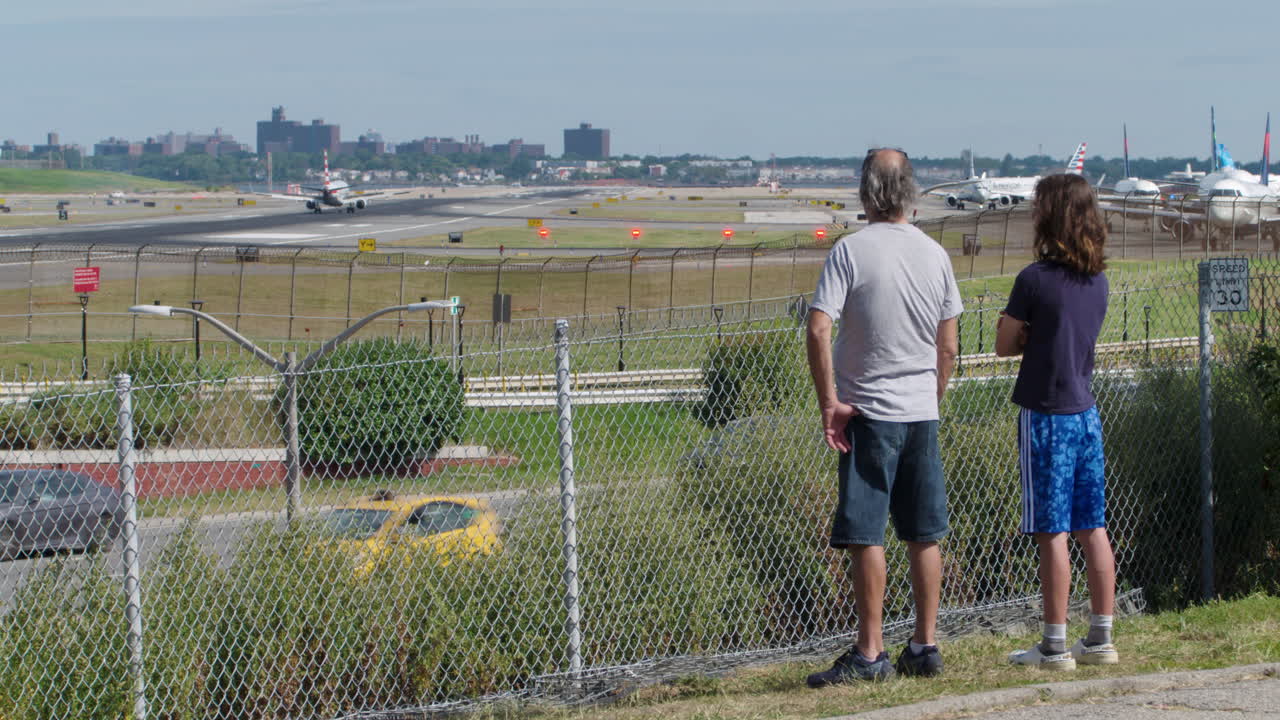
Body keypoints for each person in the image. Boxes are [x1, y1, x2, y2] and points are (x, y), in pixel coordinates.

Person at [804, 149, 962, 686]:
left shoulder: (851, 251)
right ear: (910, 192)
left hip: (868, 409)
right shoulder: (935, 255)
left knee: (866, 532)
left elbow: (819, 328)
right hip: (922, 410)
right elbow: (948, 346)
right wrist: (931, 394)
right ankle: (925, 642)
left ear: (867, 192)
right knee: (925, 531)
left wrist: (830, 403)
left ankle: (870, 651)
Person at [995, 173, 1118, 671]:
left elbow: (1005, 343)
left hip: (1045, 417)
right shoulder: (1099, 281)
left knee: (1052, 532)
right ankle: (1101, 636)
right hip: (1085, 413)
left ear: (1051, 216)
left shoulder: (1033, 280)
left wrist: (1029, 335)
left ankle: (1053, 644)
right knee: (1093, 525)